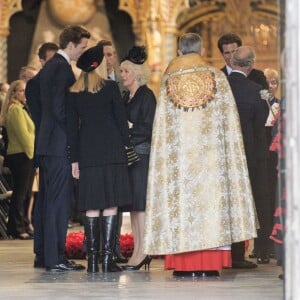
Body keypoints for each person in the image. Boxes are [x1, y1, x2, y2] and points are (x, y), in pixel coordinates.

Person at [143, 33, 258, 277]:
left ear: (180, 51)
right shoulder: (216, 77)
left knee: (183, 207)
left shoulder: (168, 80)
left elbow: (161, 125)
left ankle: (183, 267)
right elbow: (229, 123)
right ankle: (208, 265)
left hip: (180, 164)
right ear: (202, 50)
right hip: (210, 162)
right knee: (209, 208)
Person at [66, 44, 132, 273]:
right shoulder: (111, 87)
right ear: (100, 65)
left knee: (92, 206)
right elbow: (121, 121)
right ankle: (106, 259)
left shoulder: (73, 92)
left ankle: (92, 261)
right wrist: (128, 146)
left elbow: (71, 130)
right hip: (113, 151)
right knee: (111, 203)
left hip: (87, 153)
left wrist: (74, 160)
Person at [35, 25, 90, 272]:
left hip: (48, 142)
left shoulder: (50, 67)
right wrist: (74, 134)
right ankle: (56, 258)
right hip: (59, 145)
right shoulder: (61, 68)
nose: (82, 51)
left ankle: (48, 256)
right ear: (71, 44)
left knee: (49, 201)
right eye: (82, 46)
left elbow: (36, 98)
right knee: (58, 203)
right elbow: (60, 109)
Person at [217, 32, 271, 266]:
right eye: (225, 53)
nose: (229, 57)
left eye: (233, 52)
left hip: (240, 152)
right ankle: (234, 253)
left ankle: (260, 246)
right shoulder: (219, 79)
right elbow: (264, 123)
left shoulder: (257, 78)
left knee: (256, 199)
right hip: (248, 152)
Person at [120, 46, 156, 270]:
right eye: (122, 71)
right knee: (134, 205)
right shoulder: (127, 96)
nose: (122, 75)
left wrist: (129, 133)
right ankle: (138, 249)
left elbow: (150, 126)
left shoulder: (146, 95)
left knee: (140, 204)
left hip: (141, 154)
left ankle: (143, 251)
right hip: (130, 155)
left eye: (125, 71)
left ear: (136, 73)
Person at [25, 42, 59, 268]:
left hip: (51, 147)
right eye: (51, 60)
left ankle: (46, 248)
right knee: (45, 200)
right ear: (41, 61)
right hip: (45, 147)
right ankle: (43, 250)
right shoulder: (36, 85)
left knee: (48, 199)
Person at [96, 39, 128, 264]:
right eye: (106, 55)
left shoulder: (121, 82)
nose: (110, 59)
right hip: (98, 150)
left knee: (114, 202)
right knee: (97, 201)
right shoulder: (91, 84)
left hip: (116, 149)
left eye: (112, 54)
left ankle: (112, 247)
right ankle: (98, 247)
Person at [0, 80, 34, 240]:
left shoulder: (20, 108)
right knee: (20, 194)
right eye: (21, 91)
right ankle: (17, 227)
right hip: (22, 155)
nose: (24, 93)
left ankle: (21, 225)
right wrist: (32, 155)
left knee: (25, 193)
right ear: (13, 93)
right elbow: (24, 136)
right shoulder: (15, 110)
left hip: (23, 154)